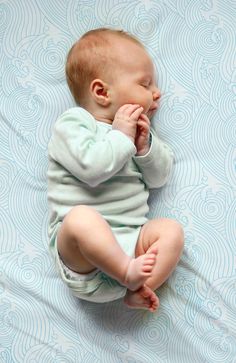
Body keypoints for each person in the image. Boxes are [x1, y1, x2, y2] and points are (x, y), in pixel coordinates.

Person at [47, 28, 184, 312]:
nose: (156, 93)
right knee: (80, 218)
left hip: (133, 247)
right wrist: (121, 137)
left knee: (171, 231)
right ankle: (127, 275)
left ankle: (139, 289)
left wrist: (145, 148)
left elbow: (160, 178)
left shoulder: (138, 134)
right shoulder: (73, 124)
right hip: (83, 259)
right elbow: (92, 169)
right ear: (101, 92)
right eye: (145, 84)